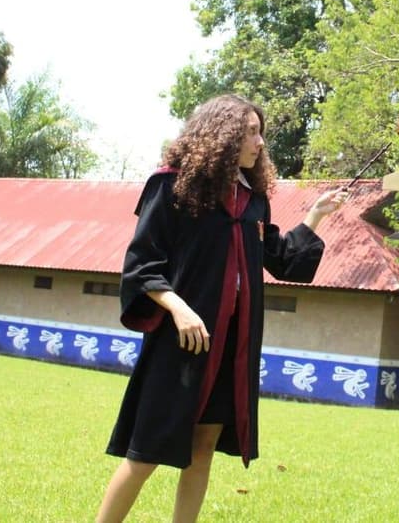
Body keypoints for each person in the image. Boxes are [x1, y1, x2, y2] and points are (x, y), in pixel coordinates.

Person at [96, 94, 346, 523]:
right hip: (182, 341)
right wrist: (178, 308)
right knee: (146, 451)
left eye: (260, 133)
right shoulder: (173, 185)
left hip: (232, 344)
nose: (260, 143)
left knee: (204, 445)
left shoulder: (253, 199)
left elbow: (279, 258)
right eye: (251, 132)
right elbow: (142, 263)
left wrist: (316, 216)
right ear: (223, 135)